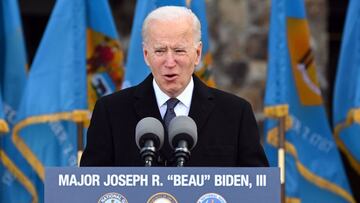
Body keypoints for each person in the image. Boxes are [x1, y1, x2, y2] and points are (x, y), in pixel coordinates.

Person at [80, 6, 268, 167]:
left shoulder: (235, 113)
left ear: (197, 53)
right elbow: (91, 187)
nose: (170, 62)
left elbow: (256, 189)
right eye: (160, 51)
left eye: (179, 50)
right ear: (146, 55)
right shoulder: (111, 112)